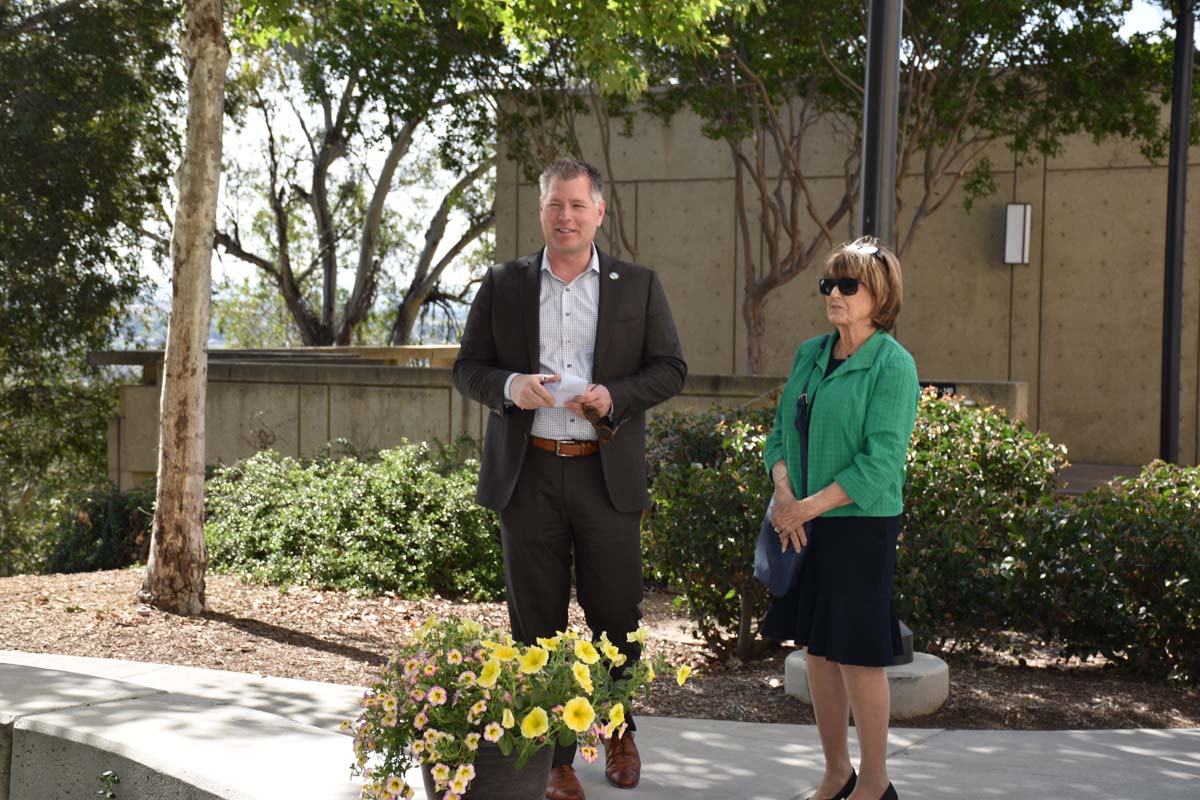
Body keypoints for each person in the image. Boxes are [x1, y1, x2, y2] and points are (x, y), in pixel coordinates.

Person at [453, 158, 687, 800]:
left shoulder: (637, 285)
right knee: (537, 623)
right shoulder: (502, 284)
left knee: (616, 614)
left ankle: (618, 732)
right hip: (527, 475)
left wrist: (616, 397)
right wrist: (509, 387)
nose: (566, 217)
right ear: (541, 210)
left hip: (603, 474)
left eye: (578, 206)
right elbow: (467, 367)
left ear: (599, 212)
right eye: (556, 205)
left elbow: (670, 367)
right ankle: (554, 757)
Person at [761, 237, 919, 800]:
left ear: (880, 296)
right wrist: (785, 496)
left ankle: (875, 783)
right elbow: (778, 436)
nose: (833, 294)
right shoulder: (810, 354)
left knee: (857, 655)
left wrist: (806, 506)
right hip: (802, 520)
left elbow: (880, 464)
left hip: (860, 527)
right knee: (819, 652)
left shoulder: (893, 366)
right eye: (828, 283)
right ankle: (836, 772)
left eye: (847, 285)